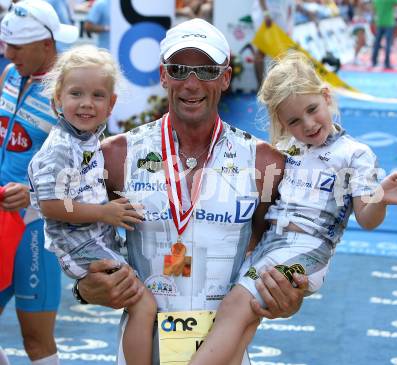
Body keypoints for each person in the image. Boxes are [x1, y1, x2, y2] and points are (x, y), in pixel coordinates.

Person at [74, 18, 308, 365]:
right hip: (142, 346)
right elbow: (85, 248)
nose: (192, 84)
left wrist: (290, 296)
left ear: (226, 77)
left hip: (224, 349)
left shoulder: (264, 163)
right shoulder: (118, 155)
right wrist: (83, 289)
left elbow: (280, 255)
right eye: (180, 69)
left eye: (207, 71)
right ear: (163, 75)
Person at [188, 50, 397, 365]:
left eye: (313, 109)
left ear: (326, 96)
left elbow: (367, 219)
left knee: (234, 307)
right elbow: (262, 206)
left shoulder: (355, 154)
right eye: (294, 121)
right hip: (269, 247)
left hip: (308, 252)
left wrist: (379, 196)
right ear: (282, 123)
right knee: (245, 319)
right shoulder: (284, 150)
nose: (309, 124)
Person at [28, 44, 156, 365]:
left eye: (98, 95)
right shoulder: (58, 148)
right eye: (76, 94)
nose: (87, 104)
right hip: (79, 246)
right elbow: (51, 206)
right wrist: (105, 212)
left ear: (111, 104)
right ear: (57, 97)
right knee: (144, 303)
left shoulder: (86, 137)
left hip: (97, 237)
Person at [0, 1, 78, 364]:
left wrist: (32, 194)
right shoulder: (11, 75)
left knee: (36, 342)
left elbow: (86, 172)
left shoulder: (69, 92)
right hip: (2, 223)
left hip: (34, 229)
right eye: (6, 43)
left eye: (17, 46)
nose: (7, 52)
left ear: (47, 44)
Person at [252, 0, 294, 88]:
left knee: (280, 52)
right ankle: (260, 87)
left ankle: (276, 86)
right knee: (261, 50)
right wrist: (266, 13)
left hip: (279, 12)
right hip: (264, 13)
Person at [371, 0, 397, 69]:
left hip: (379, 22)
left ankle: (374, 61)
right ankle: (387, 63)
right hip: (389, 23)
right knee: (388, 44)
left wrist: (373, 20)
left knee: (377, 43)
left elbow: (373, 10)